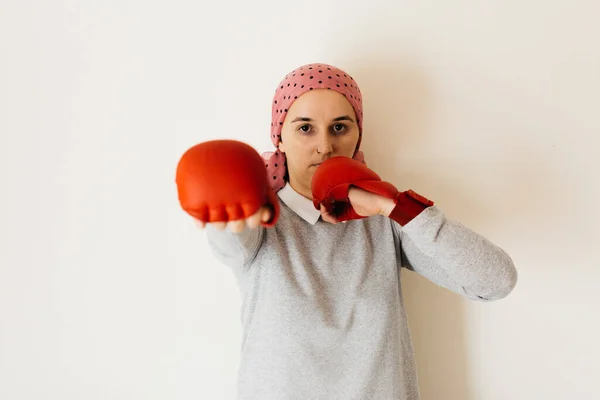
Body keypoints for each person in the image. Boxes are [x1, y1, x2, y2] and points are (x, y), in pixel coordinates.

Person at [175, 63, 518, 400]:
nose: (324, 146)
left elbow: (495, 282)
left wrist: (397, 207)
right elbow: (230, 239)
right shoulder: (260, 221)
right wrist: (225, 209)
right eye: (305, 128)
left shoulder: (386, 221)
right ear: (279, 136)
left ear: (357, 135)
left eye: (339, 127)